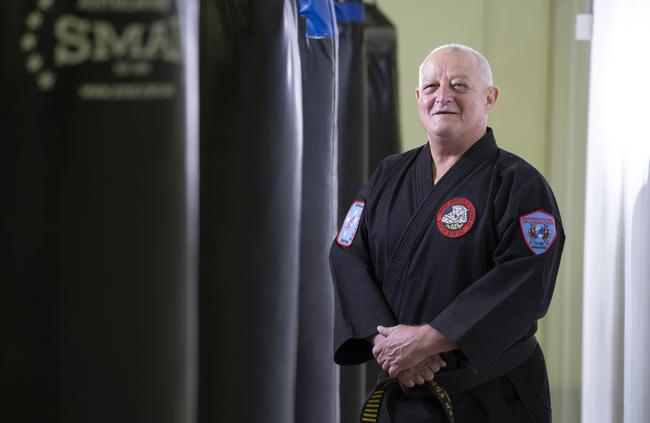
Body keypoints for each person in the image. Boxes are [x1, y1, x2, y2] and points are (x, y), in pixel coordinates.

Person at [330, 43, 565, 422]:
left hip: (492, 398)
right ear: (418, 97)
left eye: (459, 85)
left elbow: (524, 279)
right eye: (432, 87)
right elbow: (347, 254)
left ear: (490, 98)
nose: (443, 96)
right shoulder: (389, 175)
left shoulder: (519, 184)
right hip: (402, 390)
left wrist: (426, 340)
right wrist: (388, 344)